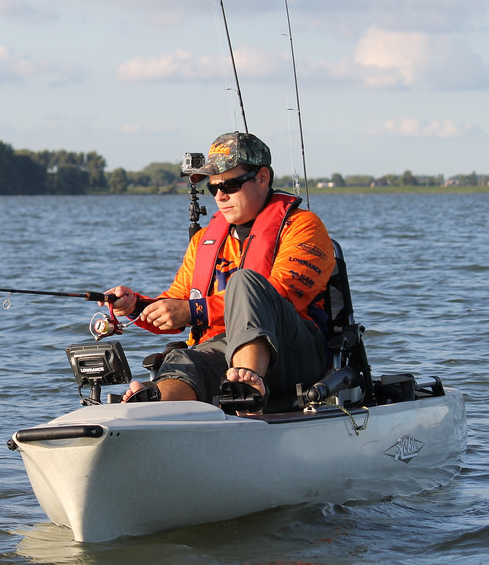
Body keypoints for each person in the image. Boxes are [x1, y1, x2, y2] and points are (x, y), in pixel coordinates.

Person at [104, 131, 335, 410]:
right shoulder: (204, 241)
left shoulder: (304, 227)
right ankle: (151, 405)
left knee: (244, 282)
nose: (221, 196)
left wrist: (193, 311)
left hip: (292, 353)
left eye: (231, 184)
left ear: (262, 178)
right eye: (214, 188)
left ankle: (247, 390)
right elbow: (178, 303)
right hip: (222, 351)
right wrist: (135, 306)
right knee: (183, 360)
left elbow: (282, 294)